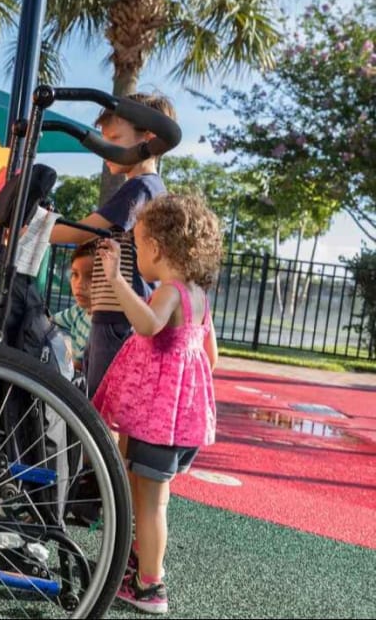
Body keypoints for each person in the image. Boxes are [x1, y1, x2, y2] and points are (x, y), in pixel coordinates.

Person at [92, 193, 221, 614]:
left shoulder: (170, 291)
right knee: (144, 490)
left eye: (138, 243)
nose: (135, 252)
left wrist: (115, 281)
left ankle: (151, 585)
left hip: (157, 419)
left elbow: (147, 326)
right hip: (171, 419)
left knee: (151, 501)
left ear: (157, 248)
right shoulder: (199, 296)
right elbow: (211, 357)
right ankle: (139, 563)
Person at [48, 92, 175, 396]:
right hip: (110, 313)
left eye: (115, 139)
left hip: (118, 318)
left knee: (105, 403)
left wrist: (35, 228)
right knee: (99, 398)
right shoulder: (146, 187)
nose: (105, 149)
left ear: (150, 139)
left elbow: (82, 232)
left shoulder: (141, 187)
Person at [51, 241, 96, 371]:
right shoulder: (78, 310)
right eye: (75, 274)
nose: (79, 284)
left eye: (91, 276)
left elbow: (78, 365)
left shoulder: (100, 324)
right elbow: (50, 322)